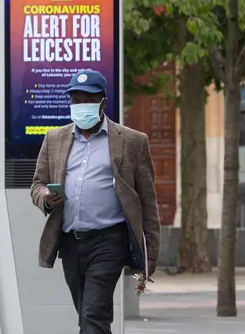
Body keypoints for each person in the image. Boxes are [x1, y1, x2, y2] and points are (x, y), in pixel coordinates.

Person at [30, 69, 160, 334]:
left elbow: (147, 201)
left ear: (102, 102)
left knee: (94, 311)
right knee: (87, 315)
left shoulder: (133, 142)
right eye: (75, 100)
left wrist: (151, 253)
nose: (80, 106)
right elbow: (36, 184)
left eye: (86, 99)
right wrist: (45, 196)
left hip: (109, 241)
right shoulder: (54, 139)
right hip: (69, 242)